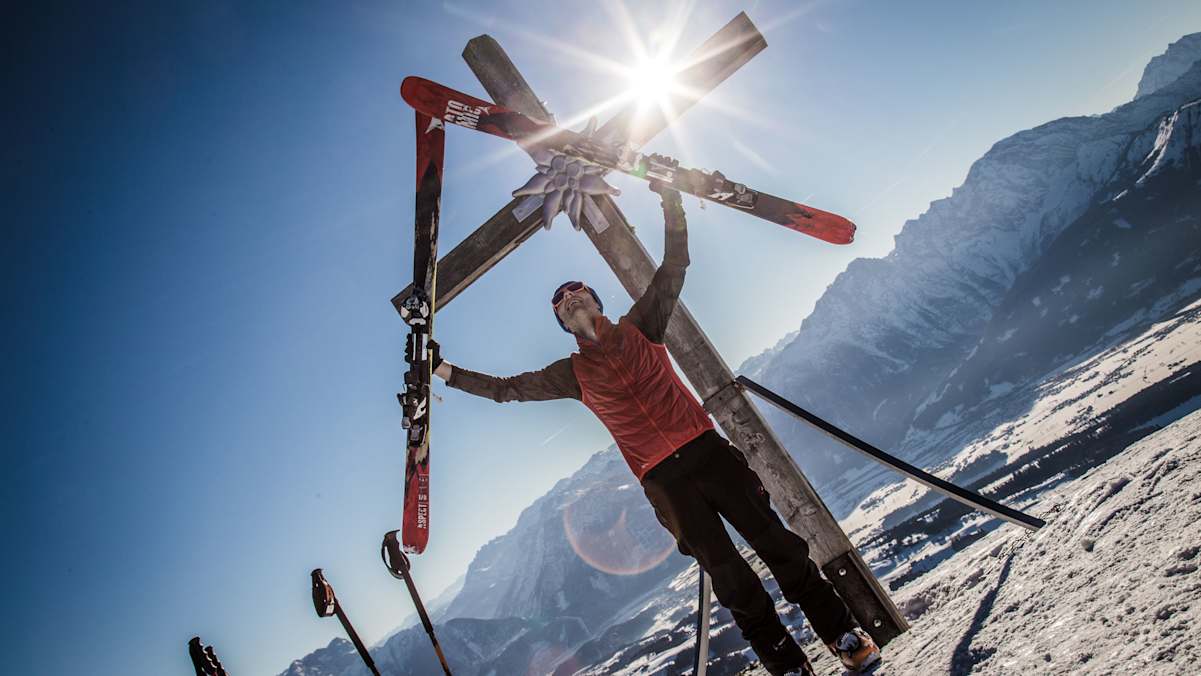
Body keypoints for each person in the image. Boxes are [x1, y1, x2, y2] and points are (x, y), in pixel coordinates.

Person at [431, 185, 881, 675]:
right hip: (664, 481)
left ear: (596, 301)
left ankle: (842, 634)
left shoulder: (640, 326)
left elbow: (673, 268)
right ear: (562, 323)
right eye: (560, 302)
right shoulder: (571, 373)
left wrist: (672, 204)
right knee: (731, 580)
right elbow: (507, 389)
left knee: (777, 543)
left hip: (708, 452)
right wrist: (444, 372)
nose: (568, 299)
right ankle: (789, 667)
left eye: (576, 291)